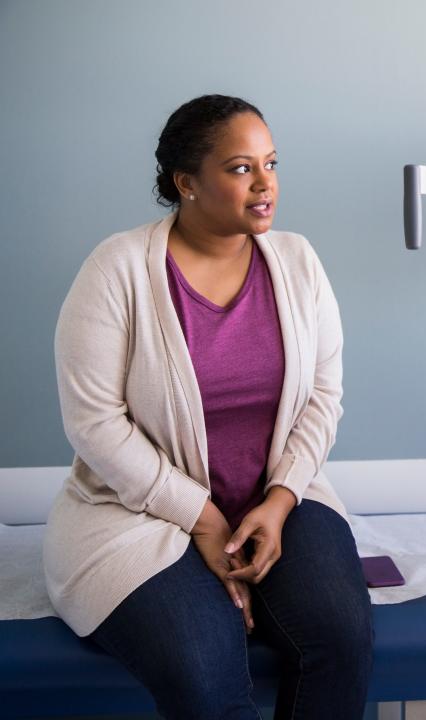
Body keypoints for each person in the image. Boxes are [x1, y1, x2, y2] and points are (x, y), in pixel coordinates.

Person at [43, 95, 373, 719]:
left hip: (279, 497)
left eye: (271, 164)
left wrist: (278, 504)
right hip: (138, 513)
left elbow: (323, 397)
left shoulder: (299, 262)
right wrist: (201, 518)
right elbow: (94, 420)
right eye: (241, 168)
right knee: (205, 666)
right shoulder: (117, 270)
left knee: (342, 641)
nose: (265, 184)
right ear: (186, 182)